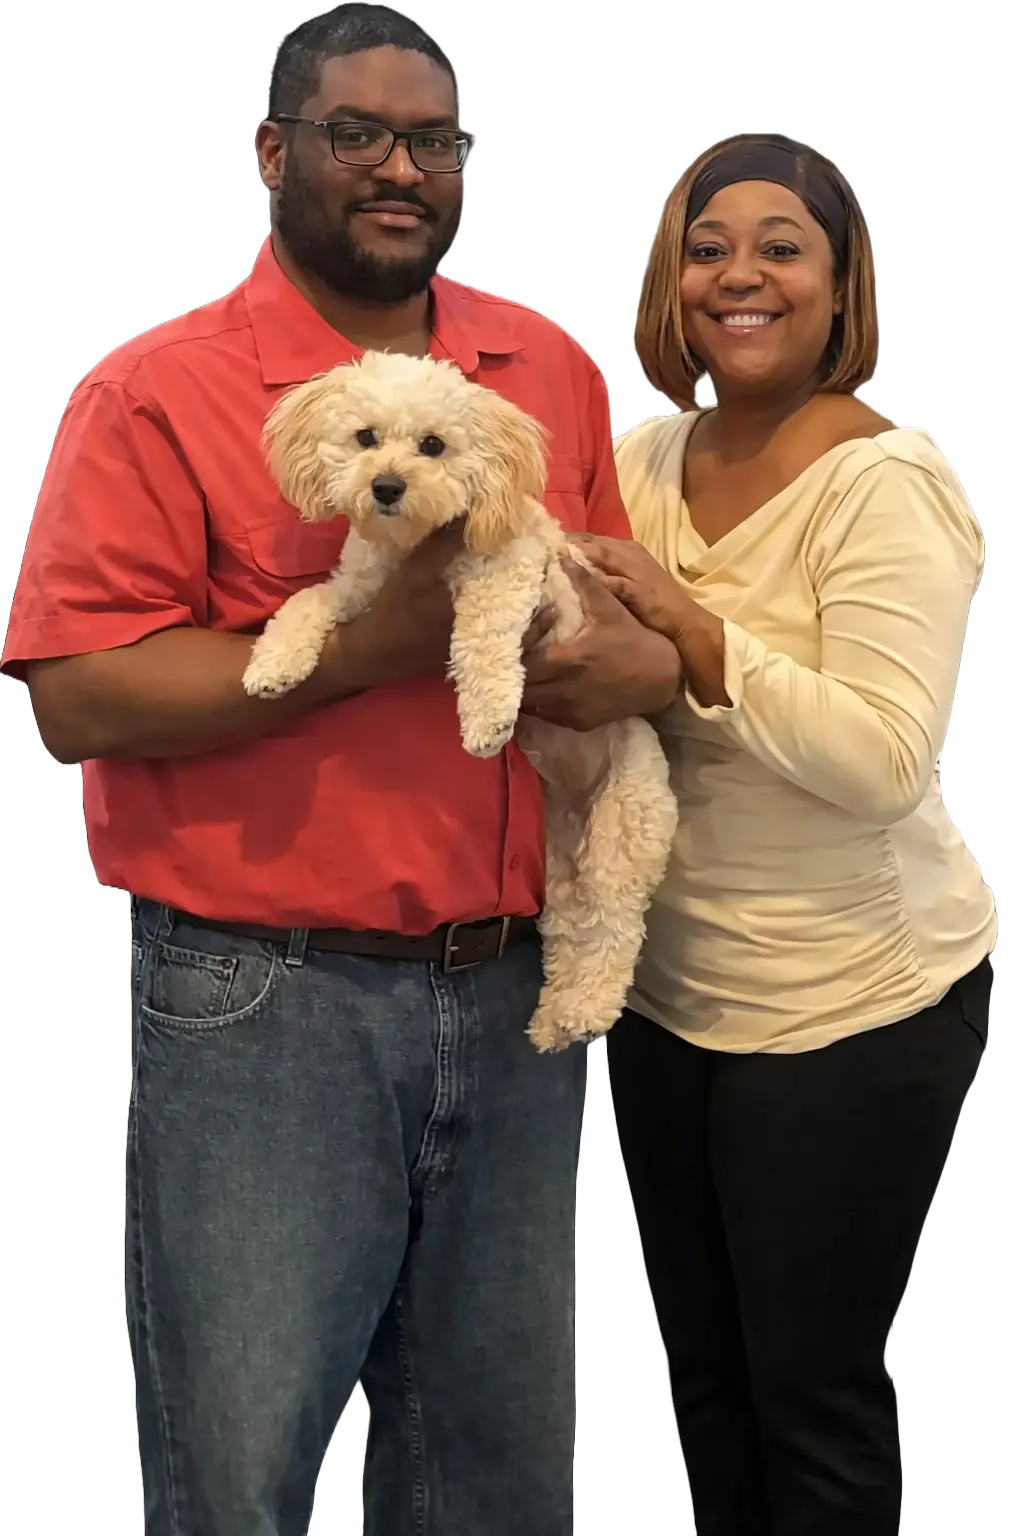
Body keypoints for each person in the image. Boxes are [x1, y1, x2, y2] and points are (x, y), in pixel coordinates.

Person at [0, 8, 682, 1533]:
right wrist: (381, 643)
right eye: (356, 134)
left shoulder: (549, 367)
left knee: (497, 1480)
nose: (399, 169)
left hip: (517, 993)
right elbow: (78, 698)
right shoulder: (153, 391)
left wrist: (657, 669)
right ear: (272, 151)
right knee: (244, 1476)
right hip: (264, 1003)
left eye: (431, 141)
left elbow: (615, 605)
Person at [569, 132, 997, 1536]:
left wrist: (694, 635)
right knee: (702, 1382)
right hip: (667, 999)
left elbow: (882, 762)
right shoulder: (634, 462)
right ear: (671, 283)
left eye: (780, 247)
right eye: (708, 249)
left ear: (840, 283)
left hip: (849, 1007)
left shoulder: (887, 483)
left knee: (809, 1396)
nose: (739, 275)